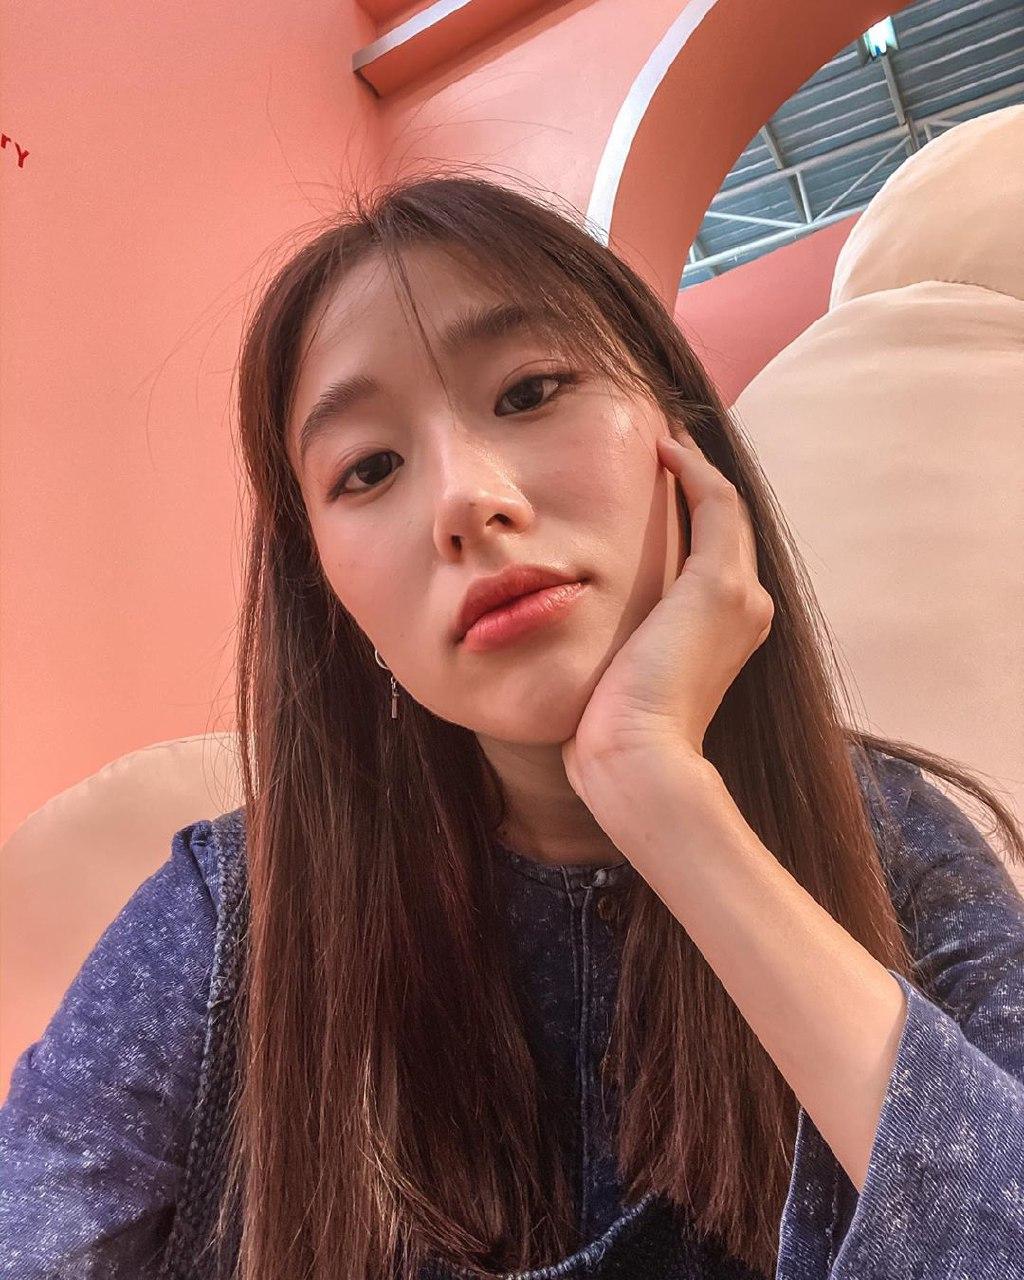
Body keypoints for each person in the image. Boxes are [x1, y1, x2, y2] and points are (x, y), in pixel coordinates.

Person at [2, 174, 1024, 1280]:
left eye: (531, 390)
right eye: (369, 468)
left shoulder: (894, 847)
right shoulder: (228, 919)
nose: (464, 499)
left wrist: (663, 794)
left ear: (684, 442)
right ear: (337, 601)